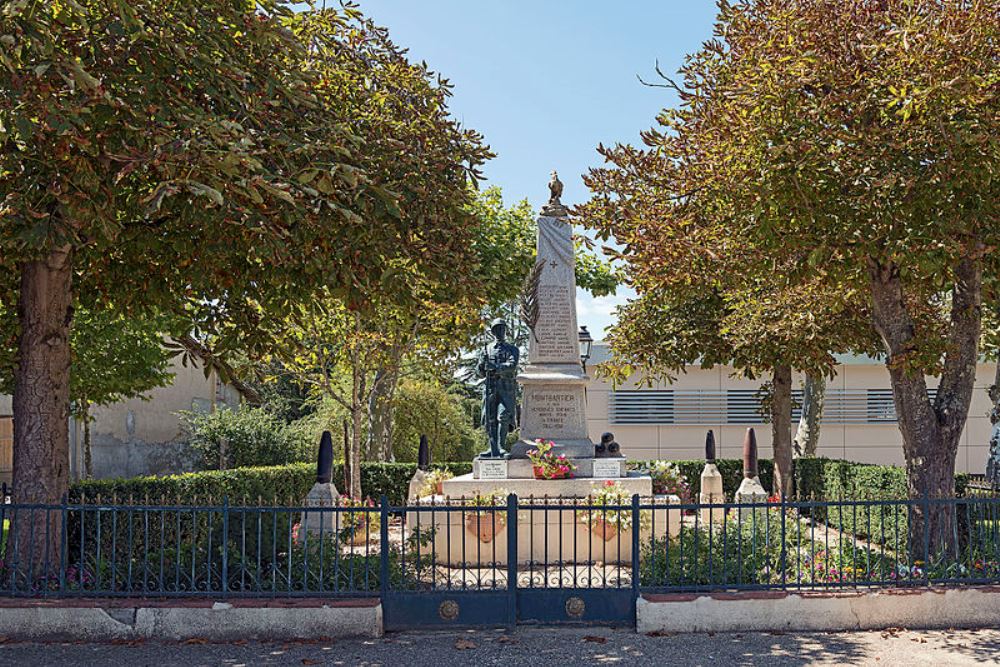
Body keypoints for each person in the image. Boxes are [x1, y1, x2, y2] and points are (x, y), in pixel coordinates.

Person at [478, 318, 519, 458]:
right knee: (490, 419)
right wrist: (482, 363)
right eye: (497, 329)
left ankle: (501, 446)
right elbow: (480, 371)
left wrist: (496, 368)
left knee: (503, 416)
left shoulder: (512, 349)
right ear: (493, 331)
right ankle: (492, 448)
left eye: (502, 328)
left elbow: (512, 366)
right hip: (490, 387)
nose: (500, 331)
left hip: (506, 388)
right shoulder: (486, 349)